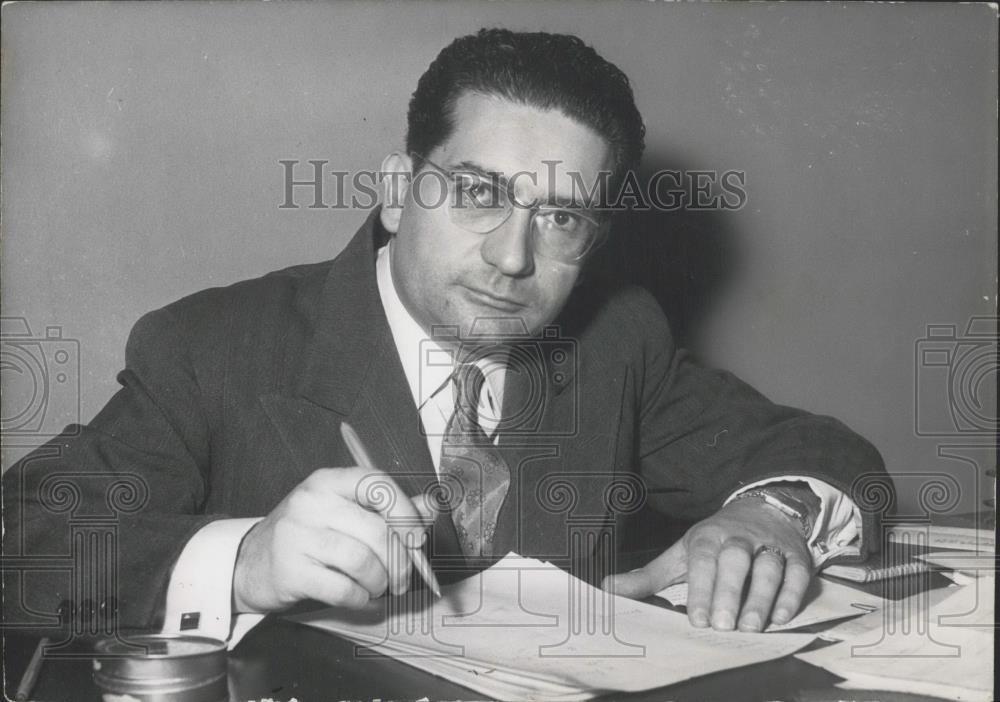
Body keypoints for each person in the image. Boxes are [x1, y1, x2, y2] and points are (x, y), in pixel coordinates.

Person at [3, 28, 884, 646]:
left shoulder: (618, 341)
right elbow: (23, 545)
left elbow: (826, 453)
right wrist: (245, 560)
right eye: (477, 194)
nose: (511, 256)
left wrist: (774, 515)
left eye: (562, 219)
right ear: (397, 192)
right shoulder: (215, 347)